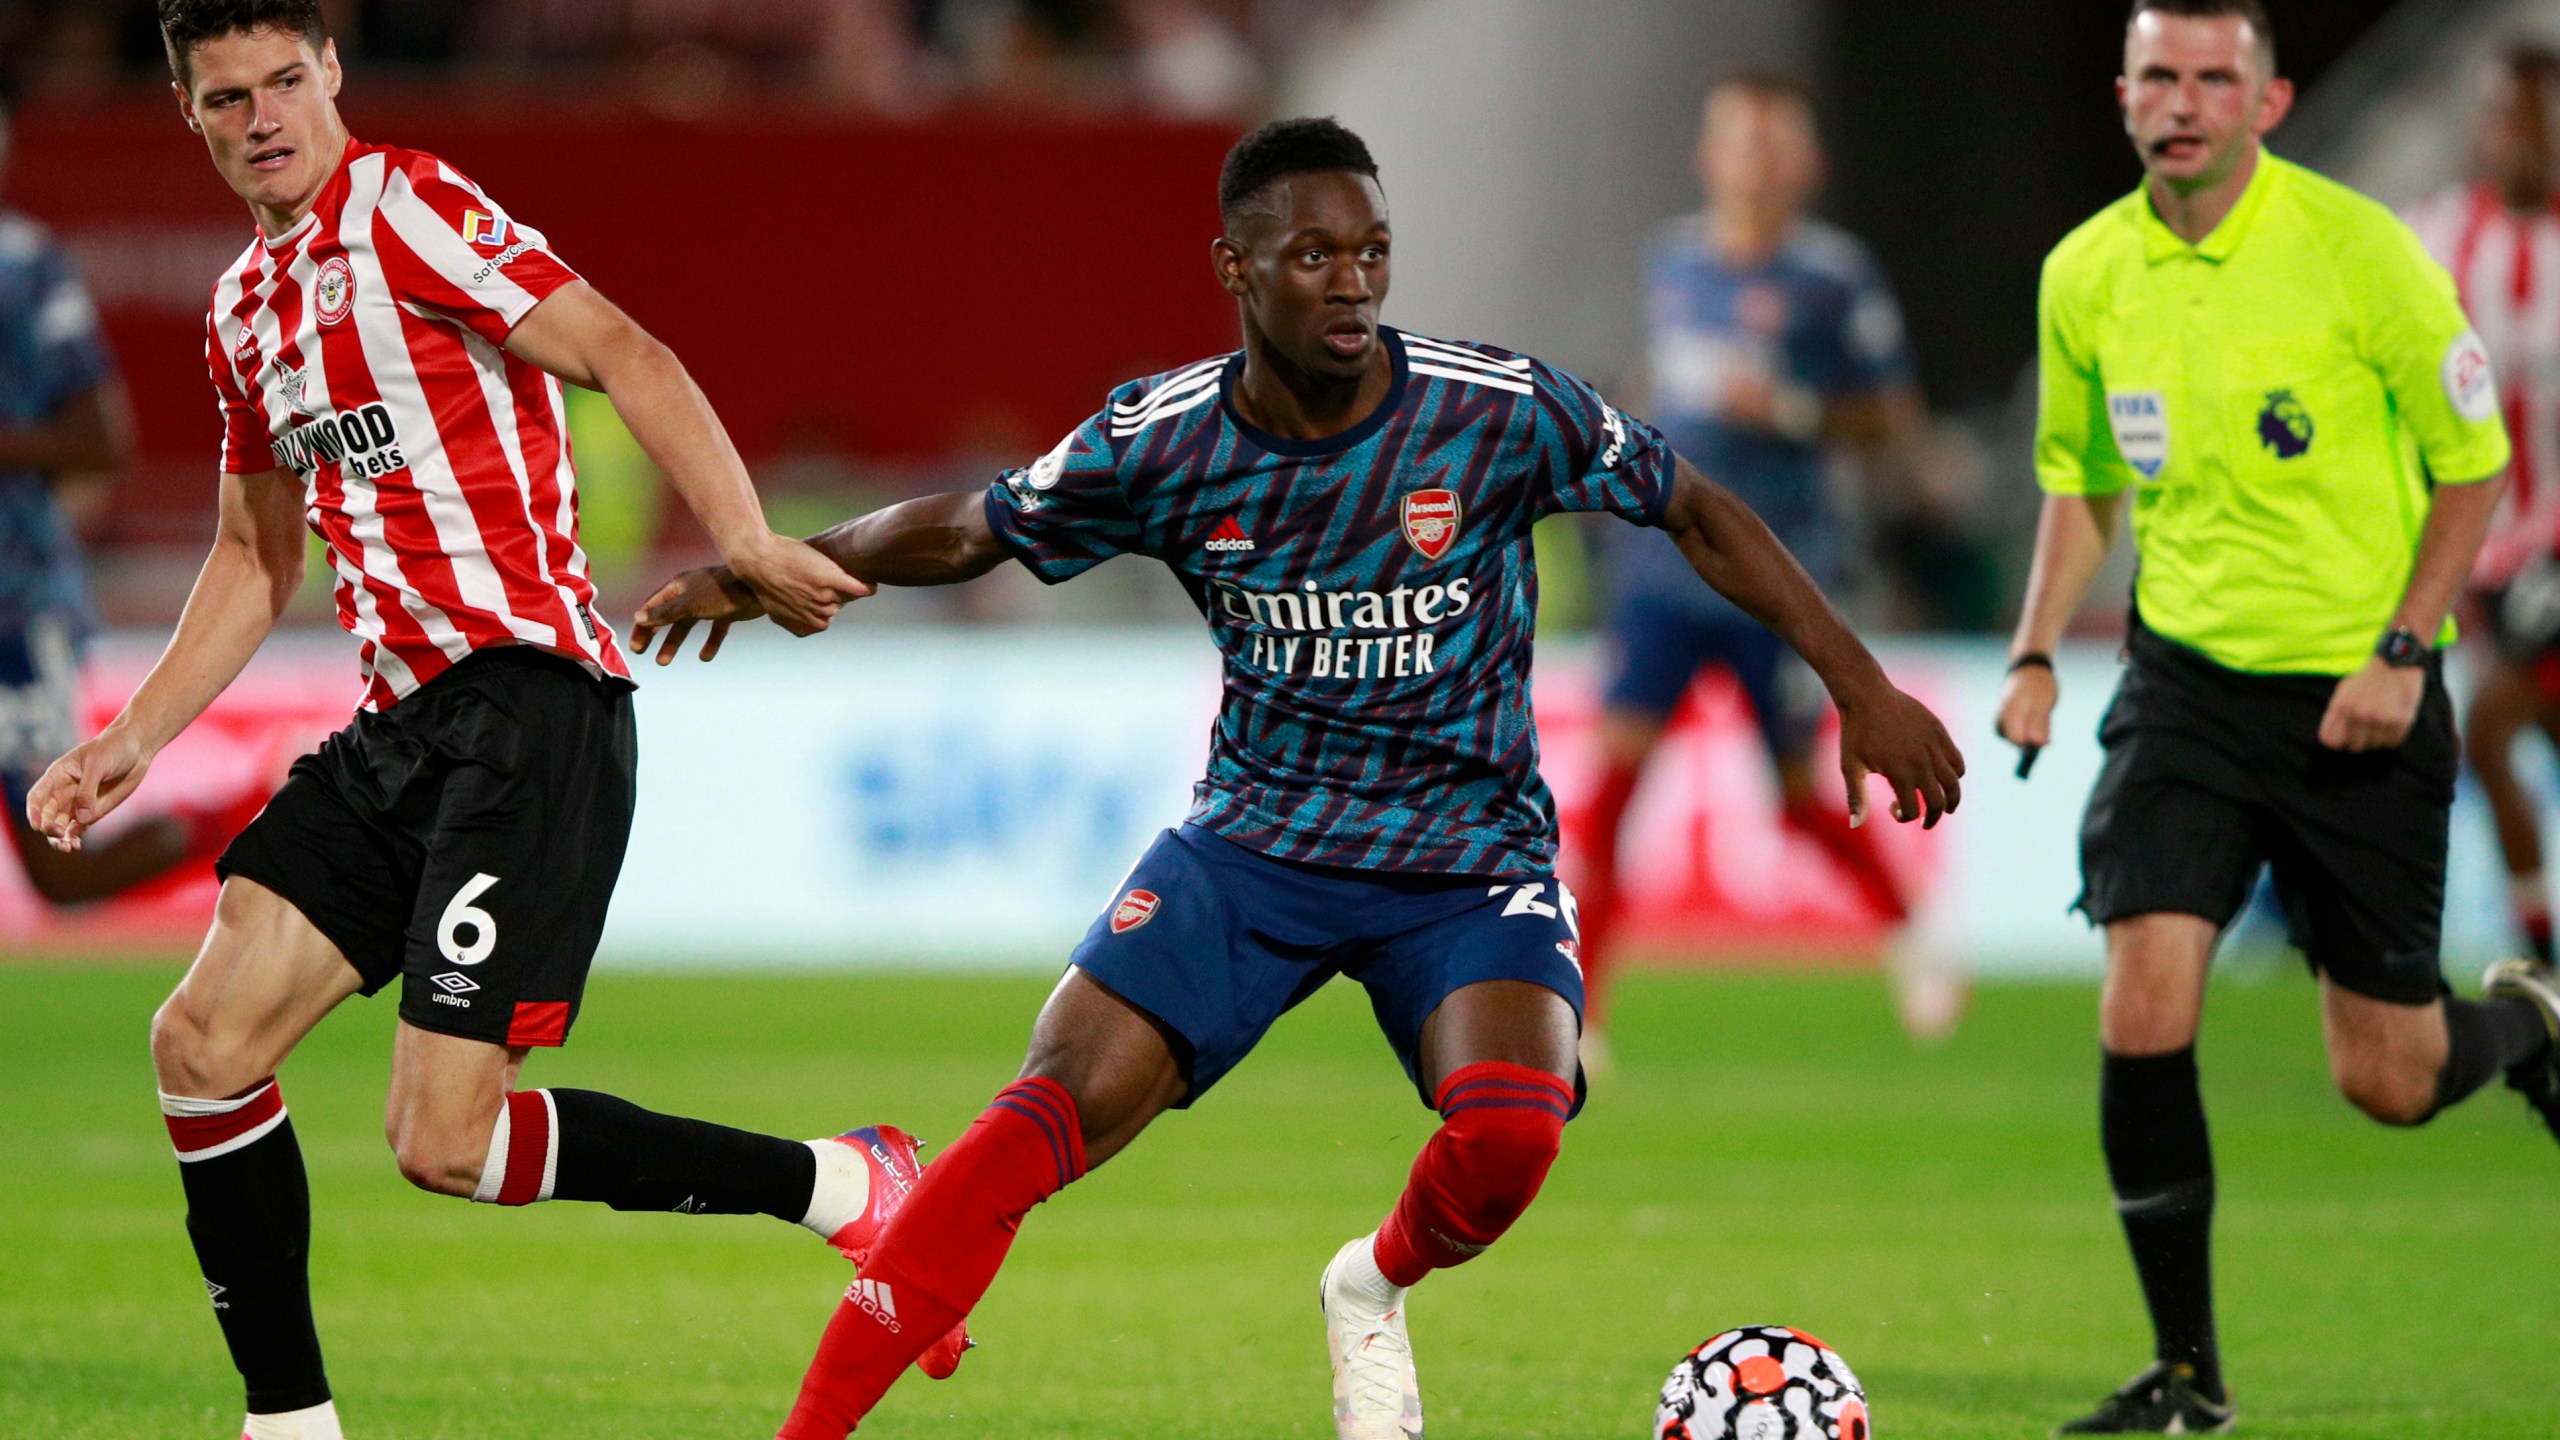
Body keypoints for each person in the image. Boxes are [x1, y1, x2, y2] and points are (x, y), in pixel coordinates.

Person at [632, 115, 1965, 1440]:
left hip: (1465, 861)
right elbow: (969, 527)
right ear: (1236, 266)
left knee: (1510, 1141)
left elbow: (1697, 507)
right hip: (1254, 851)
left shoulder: (1494, 410)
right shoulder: (1160, 440)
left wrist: (1858, 683)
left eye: (1373, 251)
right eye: (1316, 253)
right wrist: (767, 566)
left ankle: (1369, 1286)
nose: (1353, 281)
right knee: (1031, 1121)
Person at [23, 7, 956, 1438]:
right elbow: (255, 554)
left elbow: (622, 348)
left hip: (531, 707)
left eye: (286, 79)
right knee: (201, 1043)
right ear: (188, 114)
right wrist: (129, 735)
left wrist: (749, 537)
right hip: (399, 725)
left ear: (330, 70)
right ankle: (292, 1427)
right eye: (230, 97)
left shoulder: (409, 207)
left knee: (441, 1143)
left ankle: (846, 1182)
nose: (265, 114)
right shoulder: (243, 312)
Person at [1996, 2, 2560, 1432]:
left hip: (2358, 695)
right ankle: (2188, 1375)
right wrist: (2036, 650)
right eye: (2157, 76)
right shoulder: (2087, 274)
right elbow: (2082, 483)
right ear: (2121, 93)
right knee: (2145, 998)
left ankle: (2527, 1035)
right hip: (2184, 685)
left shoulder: (2361, 251)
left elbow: (2473, 462)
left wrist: (2399, 646)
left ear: (2271, 99)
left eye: (2212, 78)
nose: (2182, 102)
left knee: (2390, 1076)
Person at [1576, 71, 1963, 1053]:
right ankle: (1579, 1011)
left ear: (1805, 163)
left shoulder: (1833, 279)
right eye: (1735, 140)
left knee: (1796, 796)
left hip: (1774, 577)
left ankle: (1909, 929)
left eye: (1770, 142)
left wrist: (1787, 409)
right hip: (1664, 570)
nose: (1750, 160)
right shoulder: (1671, 262)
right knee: (1610, 789)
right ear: (1708, 155)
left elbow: (1892, 419)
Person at [0, 95, 268, 905]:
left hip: (11, 609)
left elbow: (103, 439)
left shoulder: (21, 266)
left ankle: (256, 813)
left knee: (61, 869)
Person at [2405, 45, 2560, 968]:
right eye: (2513, 117)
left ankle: (2539, 949)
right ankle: (2538, 943)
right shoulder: (2429, 236)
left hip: (2556, 544)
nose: (2525, 138)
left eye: (2541, 118)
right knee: (2496, 734)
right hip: (2475, 547)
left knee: (2496, 725)